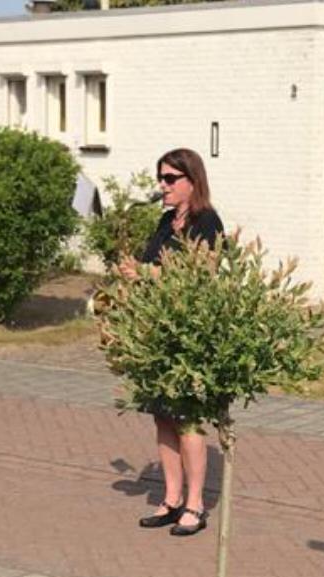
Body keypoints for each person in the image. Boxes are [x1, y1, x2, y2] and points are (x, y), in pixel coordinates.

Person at [119, 148, 224, 536]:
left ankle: (195, 505)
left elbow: (201, 274)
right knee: (162, 416)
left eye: (170, 179)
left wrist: (146, 273)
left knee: (188, 418)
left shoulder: (207, 221)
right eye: (160, 178)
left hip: (191, 334)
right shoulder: (166, 221)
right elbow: (153, 265)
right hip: (159, 332)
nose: (162, 185)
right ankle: (171, 498)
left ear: (192, 181)